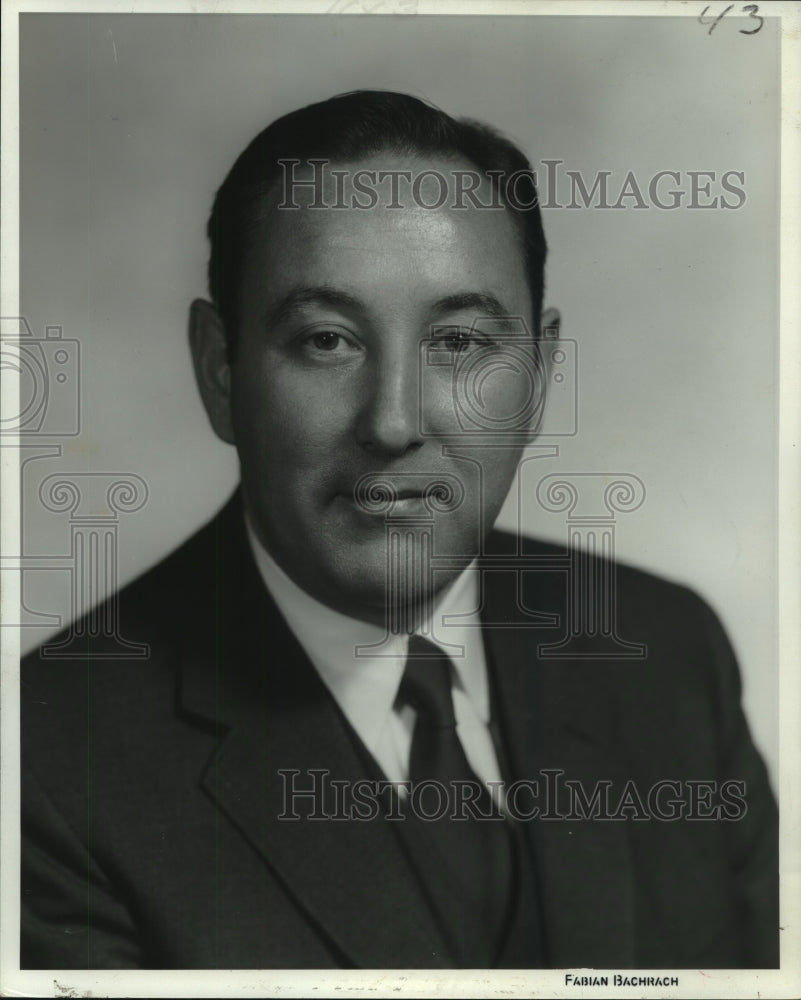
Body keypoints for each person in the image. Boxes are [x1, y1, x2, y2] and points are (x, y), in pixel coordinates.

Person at [20, 90, 778, 970]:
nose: (391, 423)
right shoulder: (45, 770)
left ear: (536, 381)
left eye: (457, 344)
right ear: (220, 371)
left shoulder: (668, 651)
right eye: (327, 341)